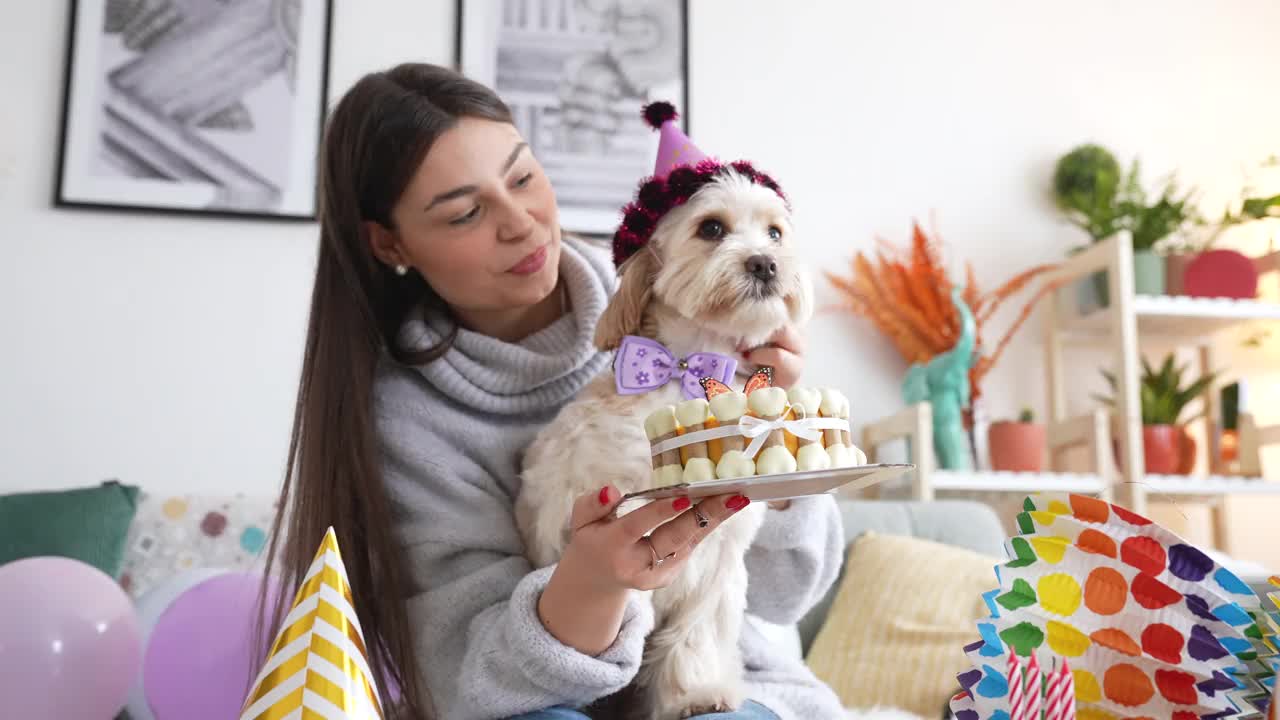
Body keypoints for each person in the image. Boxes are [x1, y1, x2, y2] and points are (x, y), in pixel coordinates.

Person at [262, 62, 847, 720]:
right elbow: (465, 680)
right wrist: (593, 585)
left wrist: (780, 441)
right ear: (390, 242)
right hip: (541, 701)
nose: (521, 223)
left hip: (737, 685)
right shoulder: (407, 423)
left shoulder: (694, 306)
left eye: (522, 177)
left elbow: (783, 594)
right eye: (465, 212)